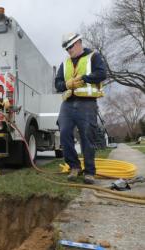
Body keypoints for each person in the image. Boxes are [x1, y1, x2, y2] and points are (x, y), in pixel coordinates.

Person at [55, 33, 107, 184]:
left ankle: (89, 172)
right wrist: (67, 84)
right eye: (66, 48)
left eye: (70, 47)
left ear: (78, 43)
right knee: (64, 133)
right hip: (68, 103)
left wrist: (84, 78)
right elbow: (57, 84)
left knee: (86, 136)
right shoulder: (65, 64)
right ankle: (74, 167)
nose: (68, 50)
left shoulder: (93, 57)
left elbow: (101, 74)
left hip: (87, 103)